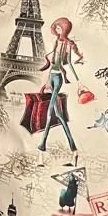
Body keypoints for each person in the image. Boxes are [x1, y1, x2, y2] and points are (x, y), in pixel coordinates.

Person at [39, 17, 83, 153]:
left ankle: (42, 144)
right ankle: (73, 146)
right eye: (56, 27)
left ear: (64, 29)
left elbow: (68, 63)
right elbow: (52, 63)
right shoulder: (56, 42)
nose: (57, 30)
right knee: (58, 114)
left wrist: (78, 81)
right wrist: (47, 81)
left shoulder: (67, 44)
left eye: (59, 28)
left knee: (49, 112)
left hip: (58, 78)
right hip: (52, 76)